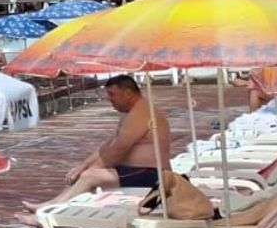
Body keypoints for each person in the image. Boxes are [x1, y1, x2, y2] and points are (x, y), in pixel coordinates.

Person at [23, 74, 171, 220]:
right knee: (86, 174)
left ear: (128, 93)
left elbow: (119, 149)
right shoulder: (132, 113)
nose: (108, 98)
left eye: (112, 94)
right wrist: (83, 166)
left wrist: (93, 168)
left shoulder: (141, 113)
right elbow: (109, 145)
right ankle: (51, 206)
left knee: (90, 177)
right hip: (136, 172)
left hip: (152, 175)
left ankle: (48, 217)